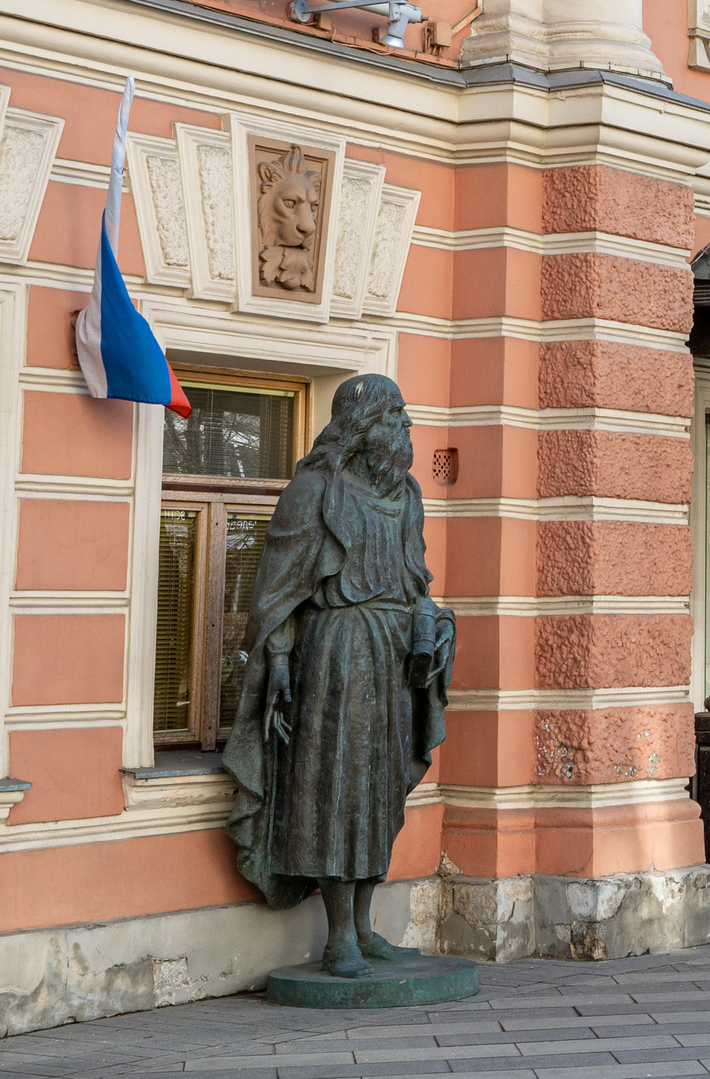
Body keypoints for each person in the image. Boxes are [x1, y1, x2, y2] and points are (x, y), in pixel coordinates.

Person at [222, 374, 453, 979]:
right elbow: (275, 592)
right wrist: (275, 664)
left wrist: (432, 624)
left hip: (394, 658)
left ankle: (367, 928)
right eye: (396, 417)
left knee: (378, 787)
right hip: (334, 655)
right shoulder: (314, 491)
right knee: (336, 789)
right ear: (364, 425)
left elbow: (415, 580)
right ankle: (338, 938)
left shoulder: (405, 494)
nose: (406, 428)